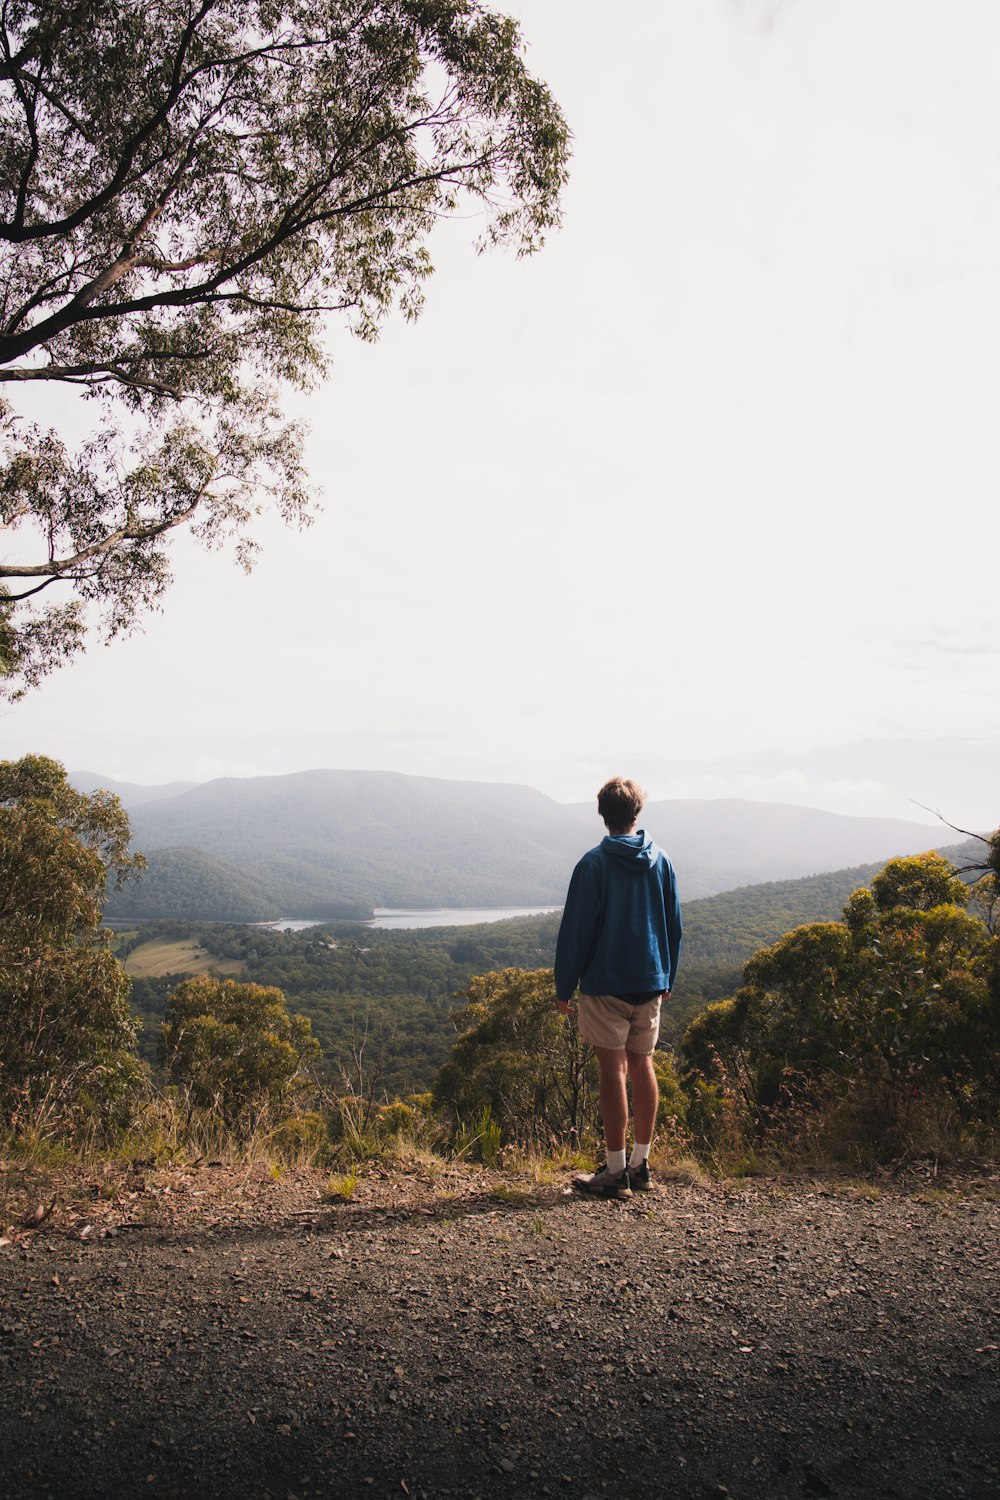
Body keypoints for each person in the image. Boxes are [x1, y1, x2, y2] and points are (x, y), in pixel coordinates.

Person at [554, 776, 682, 1199]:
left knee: (613, 1070)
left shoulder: (593, 864)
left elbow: (576, 931)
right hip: (649, 980)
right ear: (636, 813)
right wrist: (668, 975)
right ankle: (641, 1165)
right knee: (643, 1064)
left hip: (606, 982)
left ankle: (614, 1172)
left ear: (601, 813)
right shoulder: (661, 859)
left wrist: (564, 985)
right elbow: (673, 925)